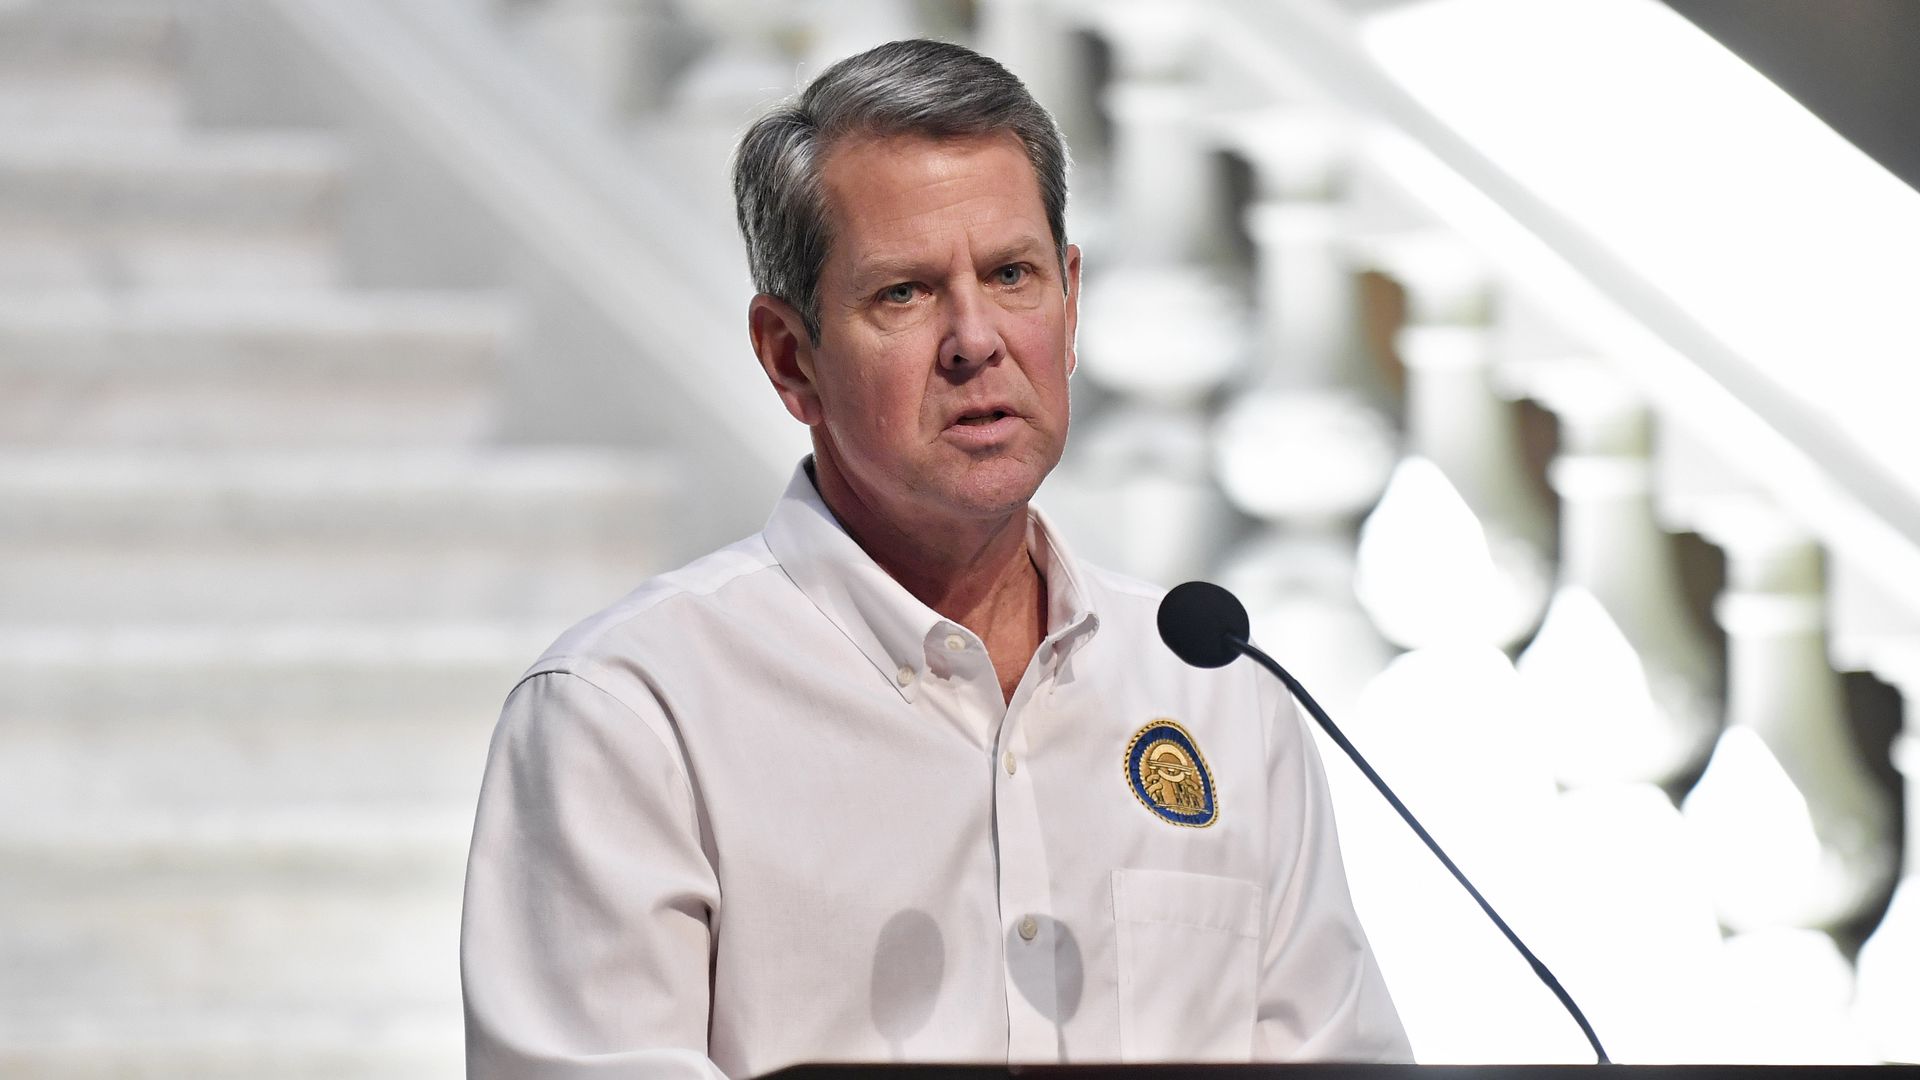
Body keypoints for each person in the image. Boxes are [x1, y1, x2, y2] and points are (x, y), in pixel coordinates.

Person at [461, 38, 1409, 1079]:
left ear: (1072, 302)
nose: (976, 339)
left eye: (1012, 275)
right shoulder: (629, 716)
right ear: (791, 358)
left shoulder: (1223, 693)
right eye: (905, 294)